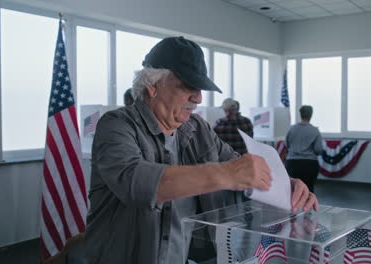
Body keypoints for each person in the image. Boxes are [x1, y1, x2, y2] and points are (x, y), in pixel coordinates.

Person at [84, 36, 318, 264]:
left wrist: (288, 185)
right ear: (152, 86)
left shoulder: (198, 128)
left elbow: (242, 168)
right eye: (188, 85)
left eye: (200, 88)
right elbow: (136, 182)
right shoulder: (115, 125)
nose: (198, 98)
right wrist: (227, 174)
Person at [285, 105, 323, 193]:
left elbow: (287, 144)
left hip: (292, 164)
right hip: (309, 164)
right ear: (311, 115)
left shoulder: (292, 129)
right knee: (308, 190)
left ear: (300, 114)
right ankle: (307, 207)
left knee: (292, 190)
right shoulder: (315, 130)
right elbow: (318, 149)